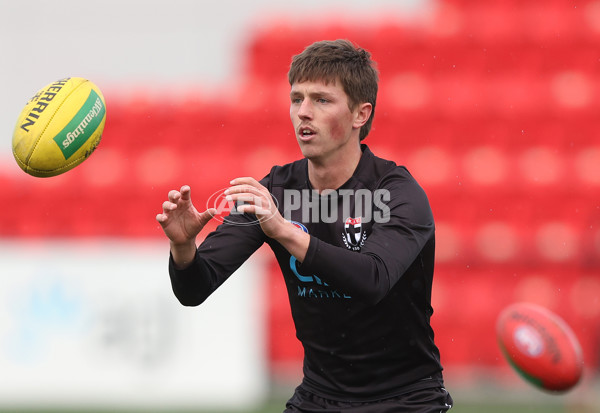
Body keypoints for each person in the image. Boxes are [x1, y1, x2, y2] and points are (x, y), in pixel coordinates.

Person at [156, 39, 453, 412]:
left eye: (321, 100)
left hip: (406, 400)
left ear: (361, 115)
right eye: (297, 99)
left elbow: (372, 280)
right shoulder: (276, 190)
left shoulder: (397, 193)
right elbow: (195, 289)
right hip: (319, 398)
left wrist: (282, 230)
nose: (303, 113)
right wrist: (184, 248)